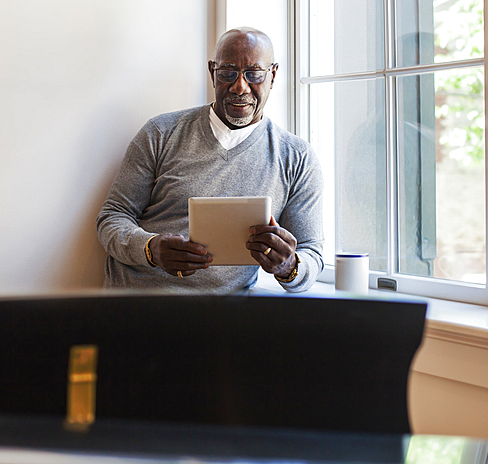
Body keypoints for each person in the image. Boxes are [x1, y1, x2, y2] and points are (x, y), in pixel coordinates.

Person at [96, 27, 324, 293]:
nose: (240, 86)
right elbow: (112, 218)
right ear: (212, 72)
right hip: (137, 308)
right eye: (227, 73)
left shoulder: (297, 158)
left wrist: (288, 267)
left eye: (254, 74)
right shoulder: (161, 133)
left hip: (219, 322)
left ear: (272, 75)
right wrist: (151, 249)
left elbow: (311, 253)